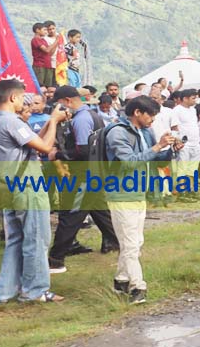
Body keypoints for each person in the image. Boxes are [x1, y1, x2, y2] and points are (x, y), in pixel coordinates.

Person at [0, 79, 70, 303]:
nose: (25, 104)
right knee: (36, 238)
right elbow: (45, 147)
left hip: (10, 185)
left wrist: (50, 122)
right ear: (13, 97)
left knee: (16, 240)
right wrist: (54, 121)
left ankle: (5, 292)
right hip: (27, 186)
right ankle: (35, 291)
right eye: (22, 99)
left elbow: (34, 141)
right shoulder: (11, 122)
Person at [105, 95, 179, 304]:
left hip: (138, 192)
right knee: (130, 244)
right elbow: (129, 162)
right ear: (137, 112)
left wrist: (169, 150)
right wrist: (157, 147)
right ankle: (138, 287)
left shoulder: (145, 131)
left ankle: (121, 280)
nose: (153, 120)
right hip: (121, 193)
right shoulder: (117, 132)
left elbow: (154, 159)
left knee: (135, 241)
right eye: (151, 115)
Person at [48, 86, 119, 273]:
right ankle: (117, 243)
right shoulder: (92, 115)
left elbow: (83, 151)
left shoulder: (80, 120)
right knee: (100, 211)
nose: (58, 109)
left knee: (71, 215)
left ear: (67, 101)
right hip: (95, 173)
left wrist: (58, 154)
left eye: (59, 105)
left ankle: (56, 259)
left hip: (84, 174)